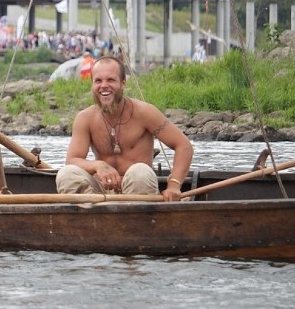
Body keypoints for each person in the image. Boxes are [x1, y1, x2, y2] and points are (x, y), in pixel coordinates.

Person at [56, 56, 193, 202]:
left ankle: (134, 218)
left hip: (138, 192)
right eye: (98, 81)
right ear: (92, 85)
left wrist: (174, 185)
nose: (104, 86)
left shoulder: (145, 113)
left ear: (123, 83)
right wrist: (98, 165)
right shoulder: (85, 118)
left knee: (139, 172)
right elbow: (72, 160)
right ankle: (88, 217)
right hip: (101, 192)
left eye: (110, 80)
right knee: (66, 173)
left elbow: (183, 146)